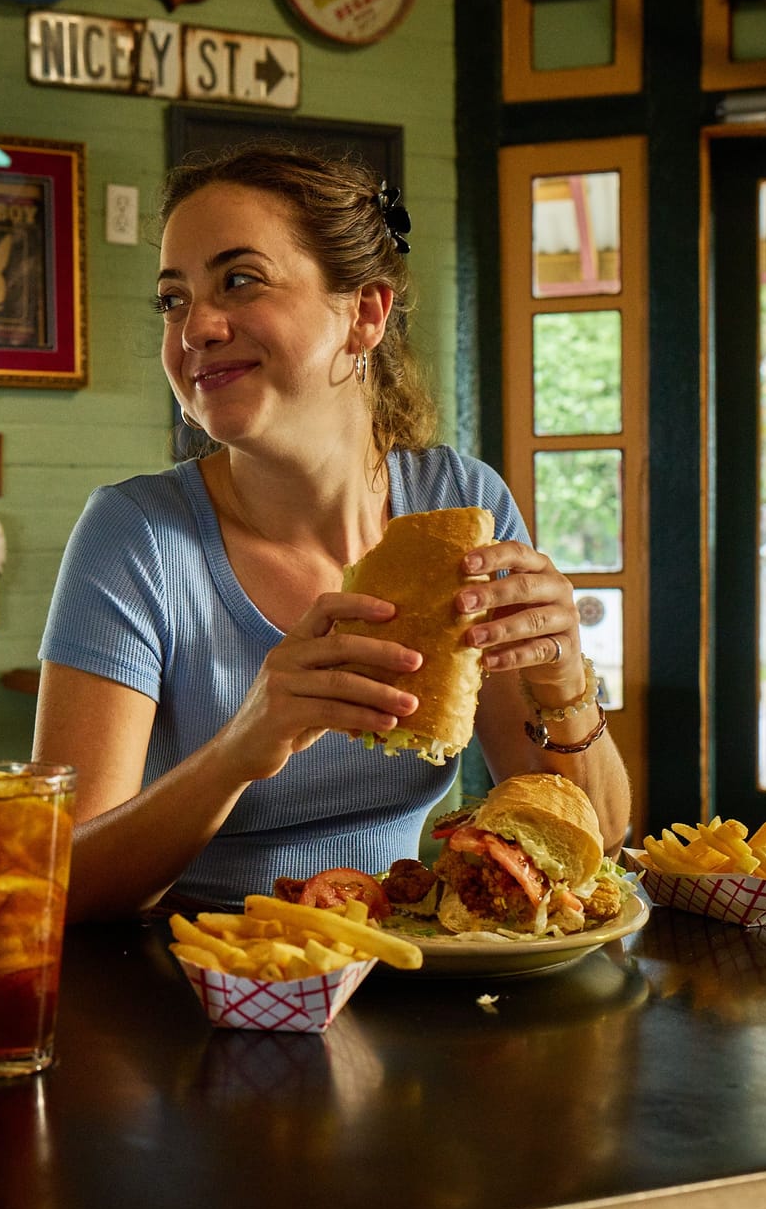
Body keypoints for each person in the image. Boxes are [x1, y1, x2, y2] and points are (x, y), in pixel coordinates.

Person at [34, 145, 630, 922]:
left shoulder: (459, 506)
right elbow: (57, 885)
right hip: (192, 987)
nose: (196, 329)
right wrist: (243, 747)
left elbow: (597, 843)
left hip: (417, 966)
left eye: (238, 280)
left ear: (366, 313)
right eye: (173, 300)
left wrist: (564, 680)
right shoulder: (135, 536)